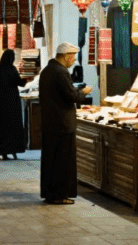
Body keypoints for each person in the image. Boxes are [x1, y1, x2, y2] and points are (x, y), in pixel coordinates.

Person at [39, 42, 92, 205]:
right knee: (62, 161)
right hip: (62, 124)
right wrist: (83, 92)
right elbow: (71, 96)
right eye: (73, 57)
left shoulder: (47, 70)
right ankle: (60, 195)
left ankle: (50, 194)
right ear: (67, 56)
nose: (74, 61)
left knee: (50, 161)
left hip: (50, 122)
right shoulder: (60, 72)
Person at [0, 49, 27, 161]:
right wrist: (25, 80)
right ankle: (7, 152)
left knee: (0, 128)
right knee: (11, 128)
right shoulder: (12, 69)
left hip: (0, 103)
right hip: (12, 103)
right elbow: (18, 82)